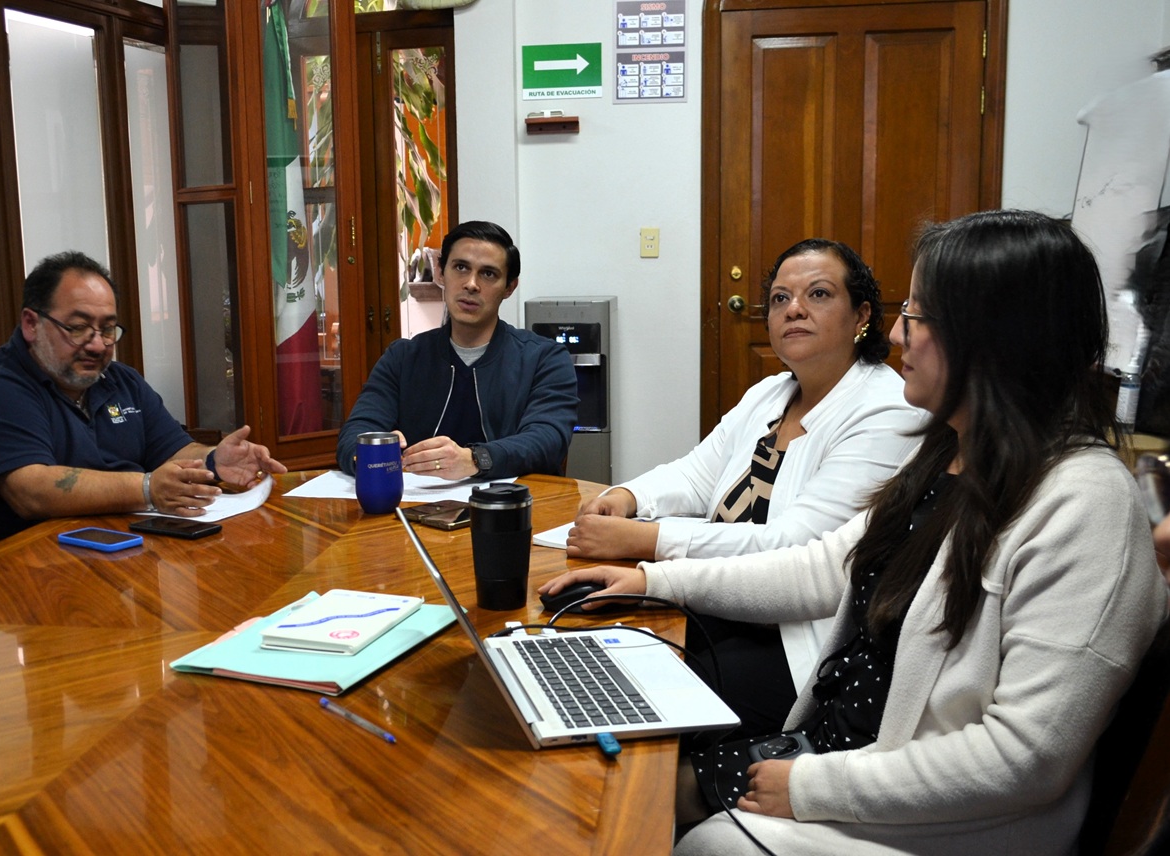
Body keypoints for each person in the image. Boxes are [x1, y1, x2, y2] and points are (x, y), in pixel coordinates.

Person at [541, 210, 1167, 855]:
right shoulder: (947, 456)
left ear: (997, 337)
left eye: (919, 317)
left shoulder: (1084, 504)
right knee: (609, 789)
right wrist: (651, 580)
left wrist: (810, 786)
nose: (898, 336)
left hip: (936, 813)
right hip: (840, 749)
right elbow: (820, 569)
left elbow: (1025, 758)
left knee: (681, 831)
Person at [569, 238, 926, 734]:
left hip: (795, 634)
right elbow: (697, 473)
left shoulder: (886, 410)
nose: (794, 309)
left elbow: (794, 547)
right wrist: (627, 498)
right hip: (721, 597)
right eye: (780, 299)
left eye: (818, 295)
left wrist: (649, 540)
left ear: (861, 315)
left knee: (650, 687)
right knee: (600, 637)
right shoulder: (772, 391)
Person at [0, 251, 285, 569]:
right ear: (32, 324)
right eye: (79, 328)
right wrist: (147, 487)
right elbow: (31, 490)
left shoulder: (118, 380)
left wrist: (211, 460)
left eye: (108, 329)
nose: (97, 345)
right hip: (2, 577)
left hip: (100, 555)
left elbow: (171, 448)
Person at [335, 220, 578, 480]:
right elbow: (356, 433)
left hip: (513, 509)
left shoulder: (544, 359)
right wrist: (372, 452)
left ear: (509, 287)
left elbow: (547, 440)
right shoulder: (403, 358)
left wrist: (475, 459)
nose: (471, 284)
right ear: (440, 273)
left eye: (488, 274)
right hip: (416, 508)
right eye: (461, 267)